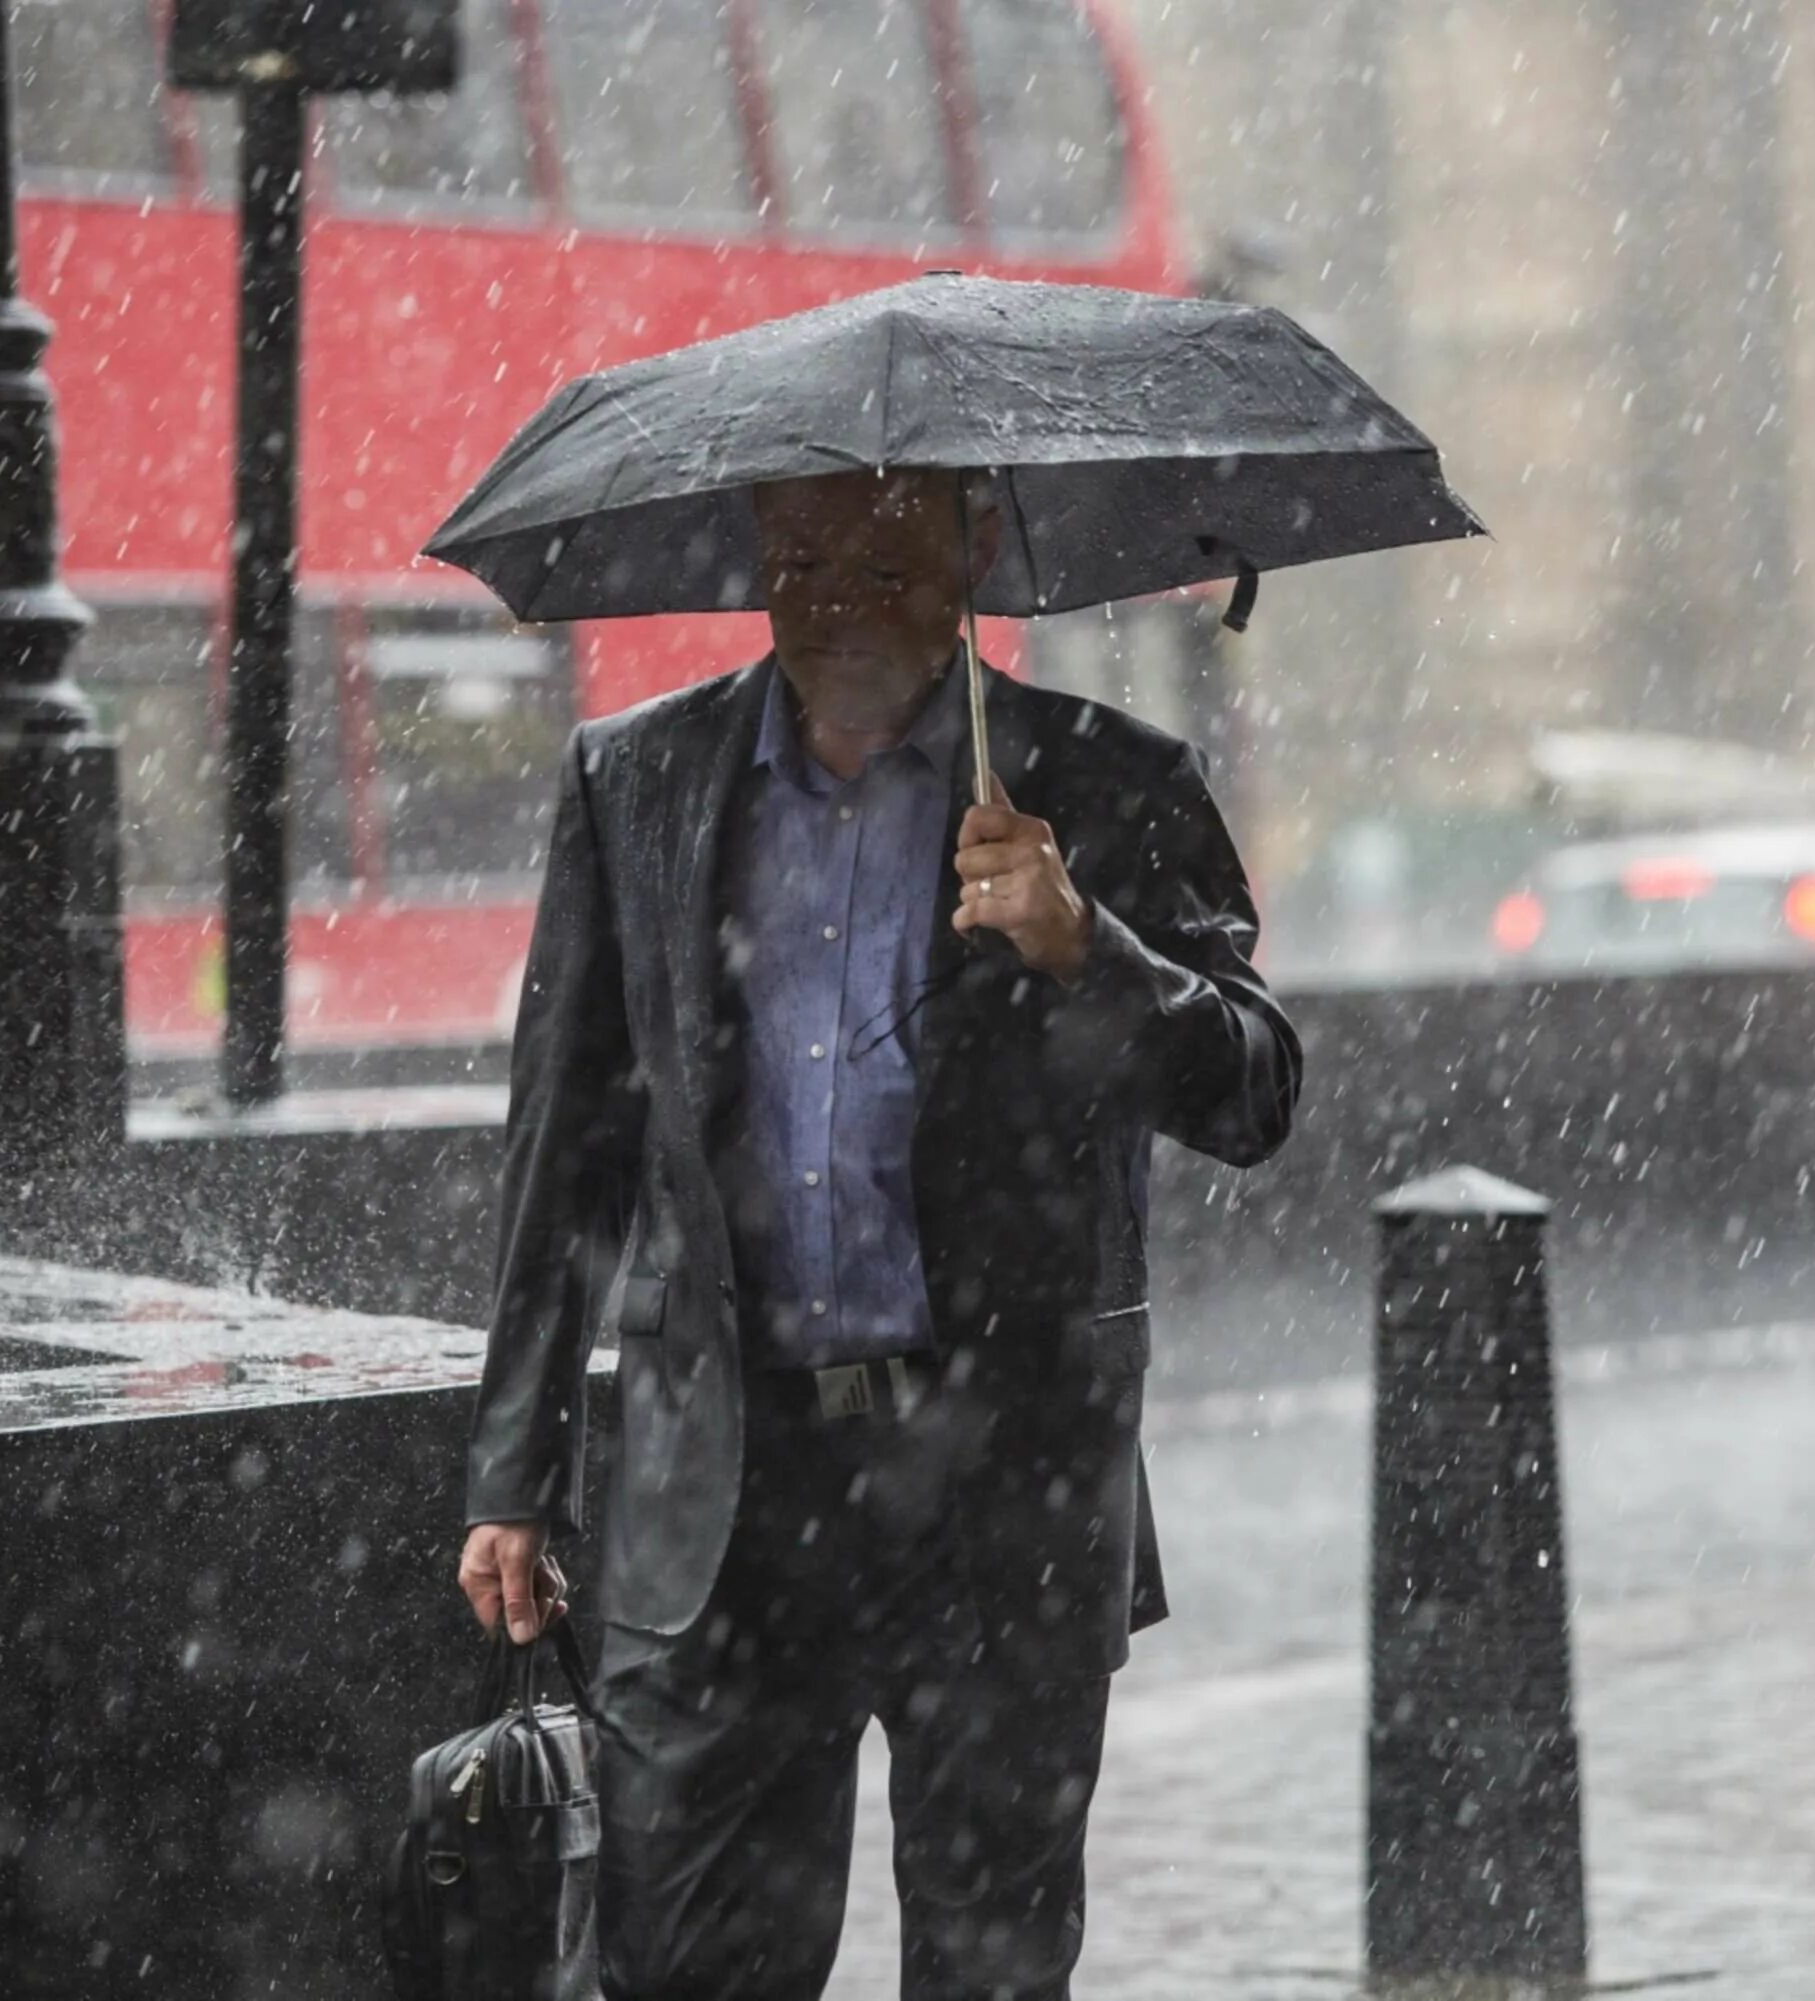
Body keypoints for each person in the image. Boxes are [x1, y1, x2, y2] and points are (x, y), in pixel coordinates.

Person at [454, 464, 1301, 2001]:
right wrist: (514, 1475)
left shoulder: (1109, 784)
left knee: (989, 1970)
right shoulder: (634, 781)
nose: (840, 593)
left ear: (975, 547)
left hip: (1002, 1492)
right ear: (758, 554)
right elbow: (563, 1143)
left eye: (887, 552)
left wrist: (1083, 946)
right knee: (683, 1969)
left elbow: (1256, 1090)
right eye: (805, 555)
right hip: (724, 1500)